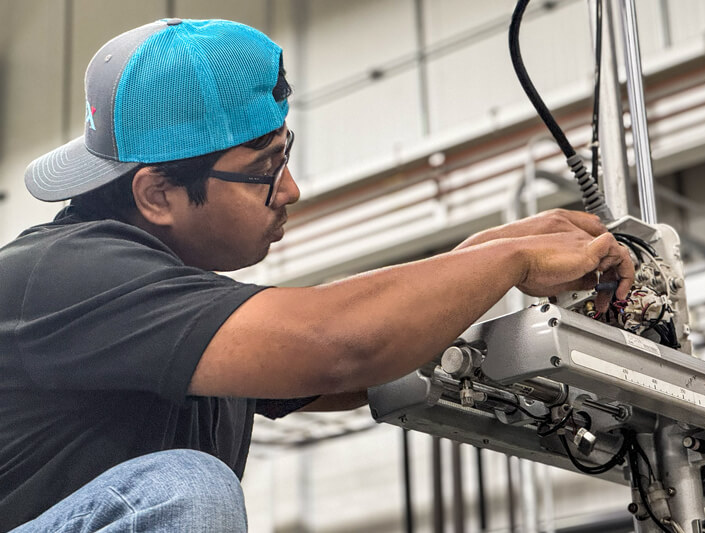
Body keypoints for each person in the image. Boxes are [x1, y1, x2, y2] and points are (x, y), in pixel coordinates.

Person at [0, 18, 633, 532]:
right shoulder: (63, 274)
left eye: (287, 154)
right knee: (181, 490)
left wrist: (477, 256)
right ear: (158, 194)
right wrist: (507, 260)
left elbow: (373, 360)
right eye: (264, 167)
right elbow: (338, 346)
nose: (292, 190)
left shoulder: (171, 310)